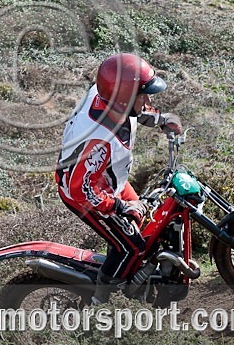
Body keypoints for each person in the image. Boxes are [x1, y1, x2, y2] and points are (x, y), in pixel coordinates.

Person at [55, 53, 182, 305]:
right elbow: (81, 189)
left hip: (108, 180)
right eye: (143, 95)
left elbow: (134, 110)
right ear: (123, 98)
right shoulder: (99, 140)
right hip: (86, 193)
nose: (147, 100)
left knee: (144, 222)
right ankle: (101, 304)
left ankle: (131, 274)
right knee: (131, 246)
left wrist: (161, 119)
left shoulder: (107, 96)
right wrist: (121, 207)